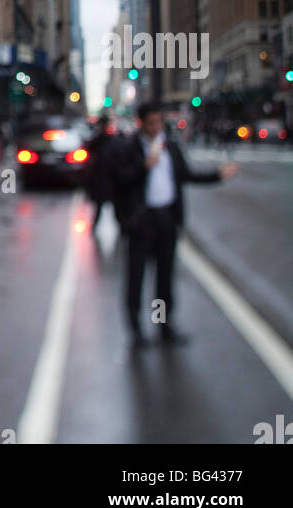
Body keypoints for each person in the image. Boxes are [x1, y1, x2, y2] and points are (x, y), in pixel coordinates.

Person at [109, 100, 237, 348]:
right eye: (151, 123)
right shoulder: (128, 148)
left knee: (164, 277)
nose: (157, 127)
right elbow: (118, 181)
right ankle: (136, 329)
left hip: (166, 219)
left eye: (159, 122)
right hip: (141, 220)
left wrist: (217, 175)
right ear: (141, 123)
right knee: (136, 276)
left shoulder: (171, 147)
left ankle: (164, 325)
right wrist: (142, 167)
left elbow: (186, 175)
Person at [86, 114, 113, 230]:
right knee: (99, 207)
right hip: (100, 179)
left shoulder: (111, 140)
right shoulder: (97, 140)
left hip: (110, 179)